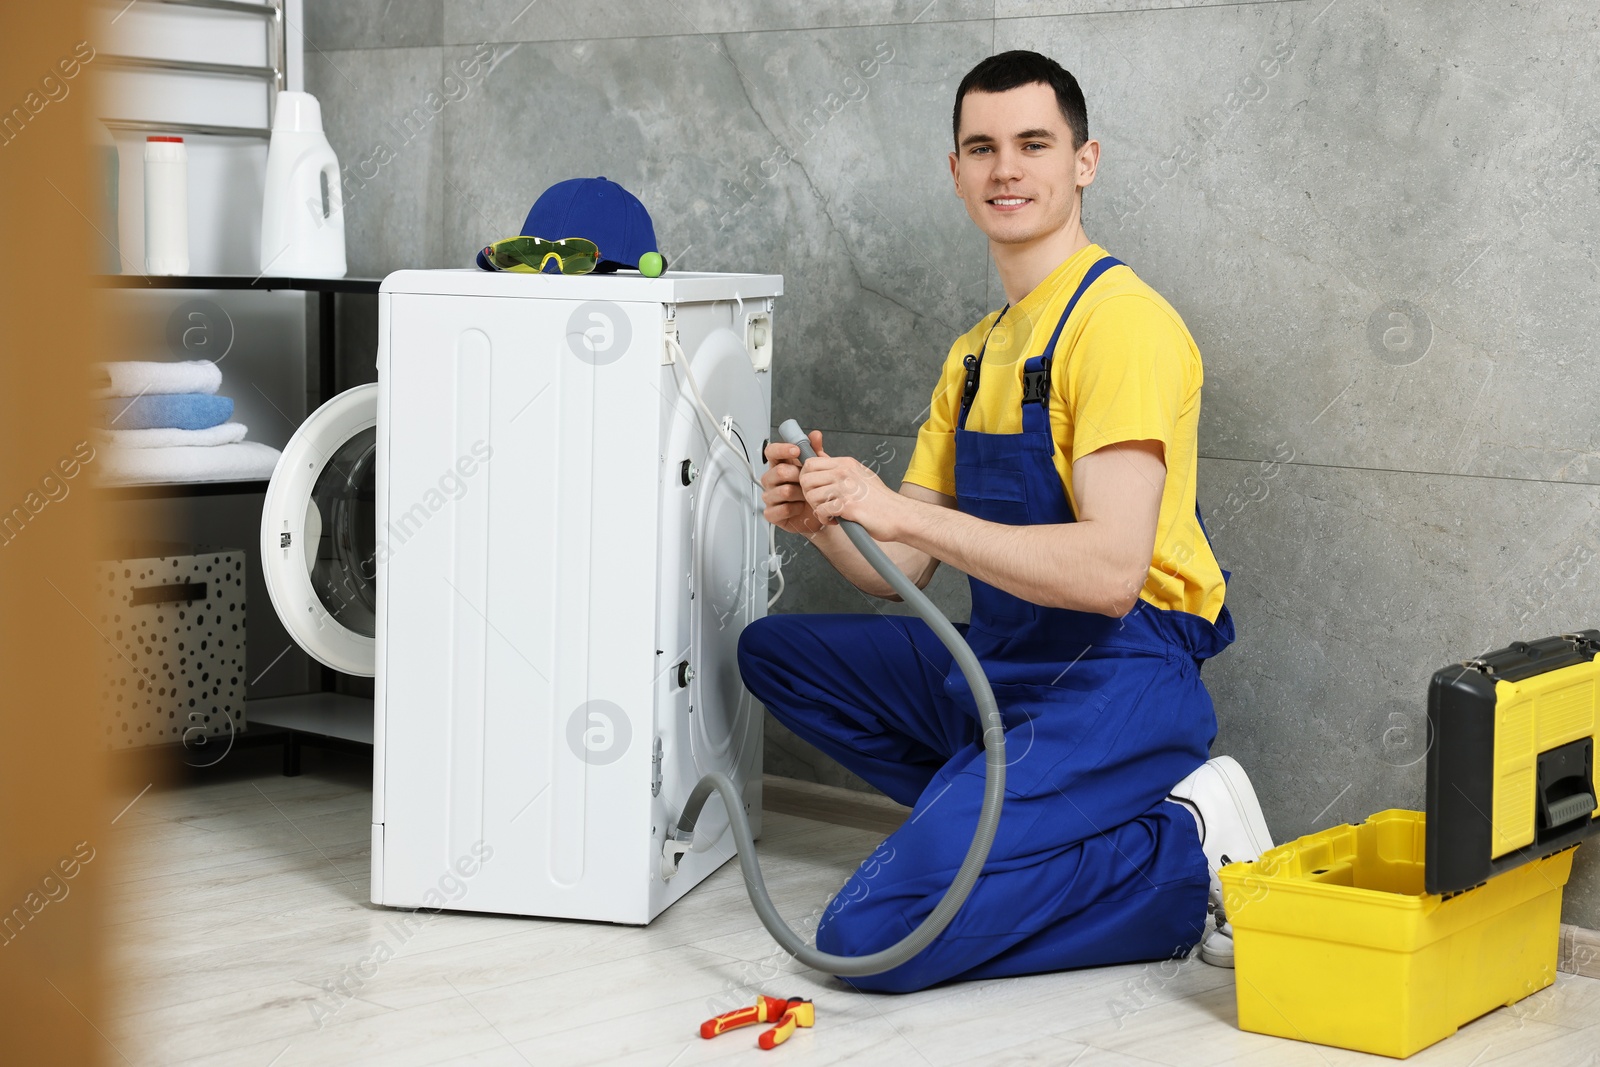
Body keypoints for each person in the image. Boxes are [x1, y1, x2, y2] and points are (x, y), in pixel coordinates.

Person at [737, 50, 1274, 993]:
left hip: (1118, 670)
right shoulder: (977, 353)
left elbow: (1110, 572)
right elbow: (901, 561)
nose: (1005, 169)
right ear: (955, 172)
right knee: (772, 653)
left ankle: (1183, 849)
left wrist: (890, 505)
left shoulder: (1121, 326)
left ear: (1084, 161)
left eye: (1033, 143)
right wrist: (827, 518)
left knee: (869, 935)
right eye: (980, 148)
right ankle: (1003, 819)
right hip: (1003, 661)